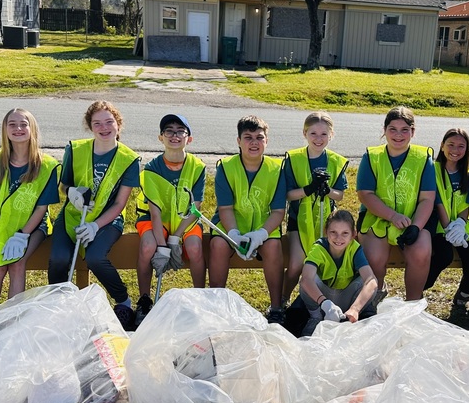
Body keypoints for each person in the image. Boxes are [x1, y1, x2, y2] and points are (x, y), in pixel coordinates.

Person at [47, 101, 140, 329]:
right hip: (72, 216)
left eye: (109, 122)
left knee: (95, 258)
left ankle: (123, 301)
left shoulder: (129, 159)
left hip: (108, 221)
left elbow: (120, 203)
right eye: (97, 123)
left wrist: (95, 226)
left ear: (118, 124)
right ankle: (59, 305)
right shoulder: (75, 149)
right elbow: (63, 184)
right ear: (90, 127)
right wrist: (70, 191)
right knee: (59, 259)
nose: (104, 127)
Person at [0, 108, 60, 311]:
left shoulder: (47, 165)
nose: (18, 128)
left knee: (17, 262)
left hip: (34, 227)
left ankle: (11, 319)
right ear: (5, 130)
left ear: (32, 128)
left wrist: (22, 236)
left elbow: (42, 207)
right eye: (12, 124)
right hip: (5, 224)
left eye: (24, 124)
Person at [209, 115, 287, 324]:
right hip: (231, 225)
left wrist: (261, 235)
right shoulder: (226, 167)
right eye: (248, 137)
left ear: (267, 141)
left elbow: (278, 211)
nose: (254, 142)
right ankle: (217, 304)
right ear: (238, 141)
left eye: (259, 138)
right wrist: (233, 235)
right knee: (218, 244)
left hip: (263, 226)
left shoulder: (277, 169)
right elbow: (225, 208)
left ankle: (277, 308)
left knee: (273, 248)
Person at [356, 106, 436, 302]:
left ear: (413, 132)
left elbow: (427, 198)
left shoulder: (423, 157)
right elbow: (365, 194)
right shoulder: (372, 156)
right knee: (374, 257)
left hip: (412, 219)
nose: (398, 135)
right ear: (384, 130)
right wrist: (392, 216)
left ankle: (413, 304)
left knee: (421, 252)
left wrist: (416, 227)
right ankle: (373, 298)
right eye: (393, 129)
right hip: (377, 218)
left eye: (404, 130)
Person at [134, 114, 207, 324]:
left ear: (189, 138)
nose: (174, 135)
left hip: (185, 221)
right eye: (169, 131)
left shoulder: (198, 167)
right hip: (157, 220)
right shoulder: (151, 169)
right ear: (160, 137)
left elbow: (196, 208)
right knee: (148, 247)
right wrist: (162, 247)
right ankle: (145, 300)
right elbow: (155, 213)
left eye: (180, 131)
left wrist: (175, 238)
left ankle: (199, 298)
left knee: (194, 247)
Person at [282, 112, 348, 304]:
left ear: (331, 135)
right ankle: (282, 300)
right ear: (305, 133)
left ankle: (318, 301)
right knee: (296, 264)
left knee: (324, 263)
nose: (318, 139)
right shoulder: (294, 159)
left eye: (324, 134)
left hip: (326, 220)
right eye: (313, 134)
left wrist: (327, 190)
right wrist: (309, 189)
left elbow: (340, 195)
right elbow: (287, 194)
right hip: (298, 220)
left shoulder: (336, 161)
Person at [424, 127, 469, 309]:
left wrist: (460, 224)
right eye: (451, 145)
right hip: (438, 227)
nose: (455, 150)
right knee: (444, 255)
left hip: (459, 227)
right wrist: (449, 228)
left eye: (461, 146)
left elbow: (466, 204)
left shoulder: (468, 175)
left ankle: (462, 296)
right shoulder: (432, 170)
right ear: (442, 146)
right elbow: (438, 201)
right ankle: (418, 289)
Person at [299, 210, 379, 335]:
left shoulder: (354, 249)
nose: (338, 238)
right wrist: (324, 303)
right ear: (326, 231)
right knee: (308, 279)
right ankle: (315, 317)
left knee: (368, 281)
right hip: (323, 301)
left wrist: (355, 309)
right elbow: (306, 279)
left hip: (347, 298)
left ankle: (352, 317)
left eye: (345, 233)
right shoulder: (319, 248)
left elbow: (371, 281)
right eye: (333, 232)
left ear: (353, 234)